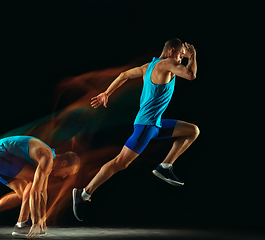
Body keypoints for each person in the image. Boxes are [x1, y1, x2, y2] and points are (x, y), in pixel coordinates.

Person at [72, 38, 199, 221]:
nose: (181, 59)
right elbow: (191, 75)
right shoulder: (167, 63)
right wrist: (192, 55)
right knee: (120, 163)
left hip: (156, 124)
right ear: (172, 51)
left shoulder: (148, 66)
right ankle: (84, 193)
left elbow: (124, 75)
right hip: (146, 126)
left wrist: (107, 93)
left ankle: (165, 166)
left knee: (192, 131)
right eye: (181, 55)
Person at [0, 135, 80, 238]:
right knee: (33, 183)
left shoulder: (48, 161)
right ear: (64, 163)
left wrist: (42, 220)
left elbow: (43, 192)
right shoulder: (47, 157)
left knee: (23, 194)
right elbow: (36, 191)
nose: (64, 176)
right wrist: (36, 223)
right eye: (67, 173)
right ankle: (21, 226)